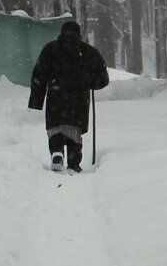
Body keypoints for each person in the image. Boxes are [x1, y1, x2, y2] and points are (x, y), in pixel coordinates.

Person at [28, 20, 109, 172]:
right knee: (74, 132)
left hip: (56, 97)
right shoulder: (89, 52)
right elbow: (103, 79)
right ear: (79, 34)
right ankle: (73, 163)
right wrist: (90, 81)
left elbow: (39, 76)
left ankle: (57, 152)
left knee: (55, 128)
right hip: (78, 100)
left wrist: (36, 101)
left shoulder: (50, 49)